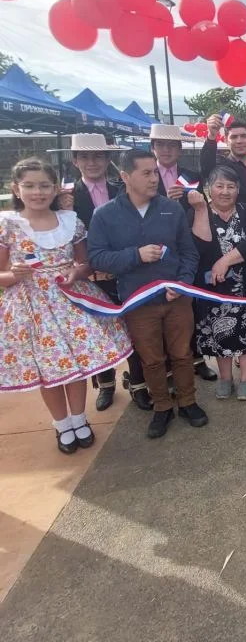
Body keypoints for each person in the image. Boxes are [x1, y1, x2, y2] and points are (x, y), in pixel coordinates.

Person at [0, 158, 133, 454]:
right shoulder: (8, 225)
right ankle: (61, 425)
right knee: (48, 370)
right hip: (30, 307)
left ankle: (79, 419)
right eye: (30, 186)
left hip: (69, 300)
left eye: (45, 185)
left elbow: (86, 263)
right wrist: (13, 275)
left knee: (77, 366)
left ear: (56, 188)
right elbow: (1, 275)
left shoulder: (70, 221)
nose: (38, 192)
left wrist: (77, 272)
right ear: (16, 189)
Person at [88, 149, 207, 438]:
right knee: (151, 359)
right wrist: (136, 256)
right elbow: (97, 258)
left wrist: (181, 283)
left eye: (155, 172)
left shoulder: (172, 209)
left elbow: (189, 252)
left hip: (176, 298)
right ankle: (162, 406)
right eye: (146, 173)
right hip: (138, 302)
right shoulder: (105, 215)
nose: (155, 178)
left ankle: (188, 401)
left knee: (182, 353)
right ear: (125, 176)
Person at [53, 133, 150, 411]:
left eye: (98, 156)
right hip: (90, 277)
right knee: (97, 333)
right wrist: (63, 212)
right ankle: (105, 385)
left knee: (134, 330)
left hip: (124, 271)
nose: (92, 162)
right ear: (75, 161)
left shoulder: (123, 188)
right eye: (85, 156)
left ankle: (139, 384)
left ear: (108, 159)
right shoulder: (64, 197)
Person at [188, 166, 246, 401]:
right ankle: (224, 377)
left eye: (231, 186)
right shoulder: (198, 213)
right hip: (213, 291)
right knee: (218, 334)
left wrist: (223, 262)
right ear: (208, 189)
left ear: (238, 190)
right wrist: (200, 209)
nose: (225, 191)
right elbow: (198, 247)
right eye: (219, 185)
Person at [150, 123, 217, 382]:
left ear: (179, 149)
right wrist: (165, 199)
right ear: (153, 147)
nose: (166, 150)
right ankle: (167, 364)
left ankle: (197, 358)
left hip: (190, 249)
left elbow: (199, 206)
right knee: (160, 310)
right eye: (161, 145)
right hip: (156, 253)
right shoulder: (145, 175)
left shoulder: (190, 175)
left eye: (171, 145)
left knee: (193, 306)